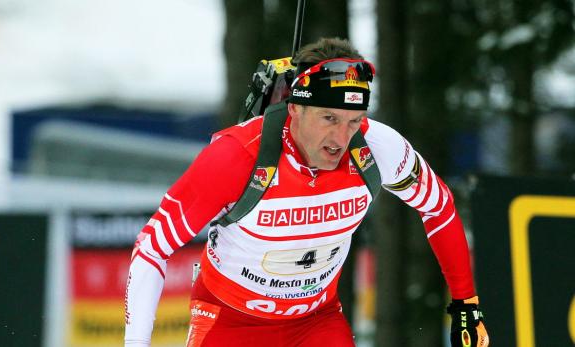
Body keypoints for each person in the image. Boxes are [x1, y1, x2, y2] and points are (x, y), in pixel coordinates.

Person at [124, 37, 489, 347]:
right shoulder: (238, 155)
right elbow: (152, 247)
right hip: (233, 322)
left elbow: (439, 208)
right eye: (329, 119)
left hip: (315, 323)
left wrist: (465, 303)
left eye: (353, 121)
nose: (341, 139)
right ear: (295, 108)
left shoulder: (378, 148)